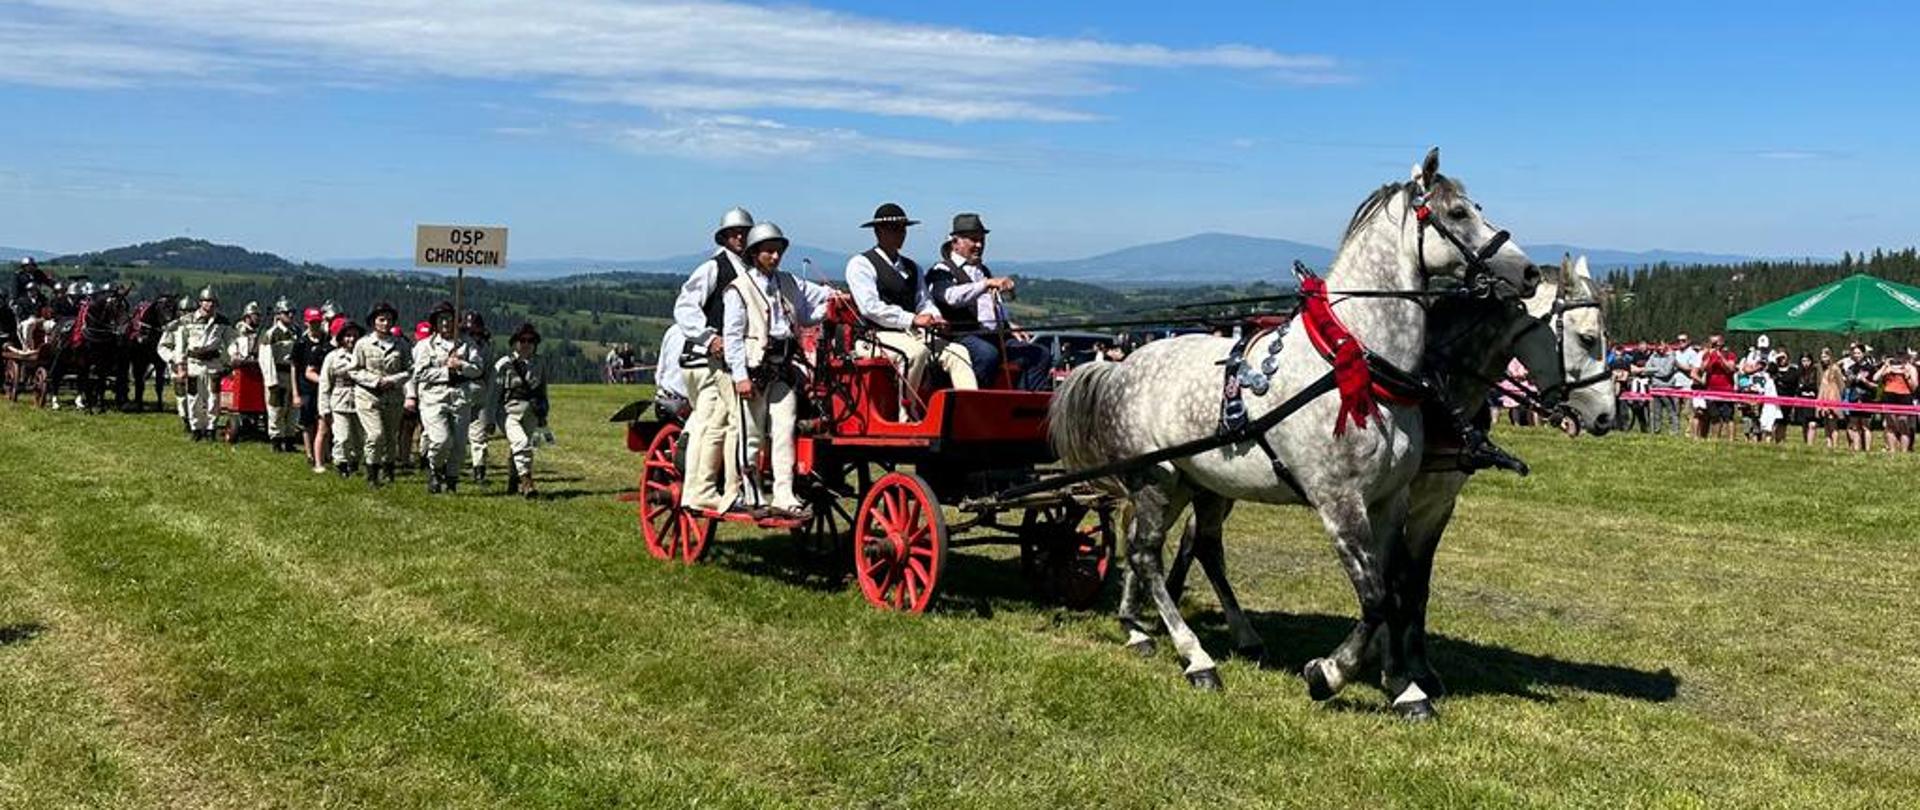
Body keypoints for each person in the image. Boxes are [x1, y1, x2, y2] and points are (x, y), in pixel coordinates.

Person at [725, 222, 837, 519]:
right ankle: (752, 493)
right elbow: (733, 336)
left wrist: (833, 304)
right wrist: (740, 377)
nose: (775, 257)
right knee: (751, 434)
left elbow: (806, 313)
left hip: (784, 366)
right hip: (754, 368)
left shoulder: (788, 283)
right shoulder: (739, 289)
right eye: (768, 252)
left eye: (778, 251)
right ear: (754, 253)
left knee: (784, 430)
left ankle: (784, 494)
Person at [844, 202, 977, 403]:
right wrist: (913, 319)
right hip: (875, 335)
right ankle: (907, 412)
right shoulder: (860, 264)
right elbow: (870, 308)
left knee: (958, 352)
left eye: (903, 228)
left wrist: (935, 317)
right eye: (895, 229)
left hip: (912, 333)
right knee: (915, 353)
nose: (901, 233)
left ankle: (969, 406)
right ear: (879, 232)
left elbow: (924, 301)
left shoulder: (913, 267)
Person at [672, 206, 754, 512]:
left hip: (726, 362)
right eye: (734, 233)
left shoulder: (746, 269)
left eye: (745, 233)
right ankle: (700, 491)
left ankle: (705, 489)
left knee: (718, 423)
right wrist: (709, 338)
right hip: (704, 362)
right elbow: (684, 306)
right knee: (712, 424)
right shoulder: (714, 268)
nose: (740, 237)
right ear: (724, 236)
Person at [927, 213, 1052, 390]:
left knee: (1039, 354)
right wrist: (986, 284)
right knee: (987, 354)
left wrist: (1008, 324)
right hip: (960, 336)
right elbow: (949, 297)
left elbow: (992, 304)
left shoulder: (982, 270)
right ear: (956, 243)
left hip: (994, 335)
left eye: (982, 240)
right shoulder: (941, 270)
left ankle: (1023, 405)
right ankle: (977, 404)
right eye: (973, 240)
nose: (979, 245)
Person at [412, 302, 485, 494]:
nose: (445, 323)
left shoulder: (467, 343)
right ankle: (435, 470)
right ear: (435, 322)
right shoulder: (425, 346)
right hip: (434, 397)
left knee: (459, 444)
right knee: (441, 440)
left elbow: (478, 369)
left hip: (460, 397)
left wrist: (461, 365)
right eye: (441, 319)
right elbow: (419, 374)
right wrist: (446, 371)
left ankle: (452, 480)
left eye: (449, 319)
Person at [349, 302, 412, 488]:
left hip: (393, 397)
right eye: (381, 319)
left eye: (389, 320)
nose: (385, 323)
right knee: (375, 435)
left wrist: (394, 380)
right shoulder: (363, 344)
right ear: (373, 321)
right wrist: (374, 381)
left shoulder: (401, 344)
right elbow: (354, 370)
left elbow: (410, 369)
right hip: (368, 396)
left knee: (391, 436)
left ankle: (389, 469)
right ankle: (372, 473)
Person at [170, 287, 233, 441]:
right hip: (193, 364)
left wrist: (234, 356)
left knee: (214, 398)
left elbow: (231, 341)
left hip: (213, 364)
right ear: (200, 302)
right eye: (206, 301)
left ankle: (211, 429)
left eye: (212, 301)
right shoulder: (187, 321)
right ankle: (196, 429)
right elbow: (180, 346)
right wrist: (180, 367)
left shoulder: (222, 322)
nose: (209, 304)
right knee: (193, 398)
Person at [495, 322, 549, 498]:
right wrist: (487, 419)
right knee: (521, 444)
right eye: (522, 340)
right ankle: (527, 482)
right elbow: (493, 393)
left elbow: (542, 389)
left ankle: (513, 481)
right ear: (515, 342)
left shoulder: (539, 362)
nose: (526, 344)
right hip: (508, 411)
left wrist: (543, 413)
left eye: (530, 340)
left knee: (520, 447)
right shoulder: (504, 364)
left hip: (531, 411)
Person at [319, 320, 366, 477]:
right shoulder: (333, 357)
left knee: (359, 438)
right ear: (341, 338)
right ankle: (341, 464)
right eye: (347, 336)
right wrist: (324, 408)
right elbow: (325, 383)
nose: (351, 339)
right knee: (342, 436)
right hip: (340, 400)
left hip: (361, 399)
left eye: (354, 336)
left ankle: (354, 462)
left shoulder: (364, 355)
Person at [258, 298, 300, 452]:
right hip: (278, 376)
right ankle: (276, 440)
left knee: (293, 411)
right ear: (278, 314)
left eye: (292, 312)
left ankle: (289, 440)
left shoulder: (297, 332)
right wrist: (271, 382)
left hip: (293, 377)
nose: (290, 315)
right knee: (276, 410)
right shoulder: (271, 334)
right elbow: (265, 359)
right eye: (286, 312)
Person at [293, 308, 330, 471]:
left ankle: (324, 452)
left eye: (318, 322)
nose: (316, 325)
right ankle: (309, 453)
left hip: (324, 386)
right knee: (307, 422)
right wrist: (295, 393)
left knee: (324, 419)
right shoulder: (301, 343)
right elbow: (295, 367)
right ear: (306, 322)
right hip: (306, 386)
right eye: (312, 322)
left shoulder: (326, 340)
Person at [462, 312, 497, 485]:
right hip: (460, 391)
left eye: (475, 330)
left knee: (479, 436)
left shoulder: (487, 348)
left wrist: (490, 398)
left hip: (480, 392)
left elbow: (490, 373)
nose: (473, 334)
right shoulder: (458, 344)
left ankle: (479, 471)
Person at [156, 295, 193, 433]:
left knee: (197, 396)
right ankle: (185, 419)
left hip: (196, 365)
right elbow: (162, 347)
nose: (187, 314)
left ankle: (198, 421)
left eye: (190, 311)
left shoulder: (200, 326)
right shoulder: (174, 327)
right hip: (177, 367)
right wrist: (173, 358)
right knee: (182, 396)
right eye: (185, 311)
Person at [1696, 334, 1738, 440]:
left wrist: (1720, 356)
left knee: (1728, 417)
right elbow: (1702, 368)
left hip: (1727, 389)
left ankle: (1731, 440)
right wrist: (1710, 355)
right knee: (1715, 417)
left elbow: (1730, 368)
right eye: (1712, 343)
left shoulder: (1730, 354)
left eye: (1716, 343)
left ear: (1722, 342)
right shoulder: (1708, 354)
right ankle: (1715, 439)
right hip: (1711, 389)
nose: (1714, 345)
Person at [1873, 350, 1916, 452]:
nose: (1899, 359)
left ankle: (1904, 451)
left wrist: (1907, 375)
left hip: (1904, 396)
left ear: (1906, 357)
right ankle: (1892, 450)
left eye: (1902, 356)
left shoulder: (1910, 368)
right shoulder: (1888, 367)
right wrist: (1884, 367)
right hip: (1889, 395)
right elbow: (1875, 378)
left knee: (1903, 424)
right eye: (1898, 356)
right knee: (1890, 424)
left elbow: (1914, 387)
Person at [1843, 343, 1877, 451]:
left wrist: (1865, 381)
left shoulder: (1870, 368)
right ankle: (1856, 449)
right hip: (1853, 398)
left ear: (1863, 354)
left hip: (1866, 398)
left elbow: (1875, 385)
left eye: (1859, 353)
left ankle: (1867, 449)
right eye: (1854, 353)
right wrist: (1848, 380)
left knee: (1865, 425)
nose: (1856, 355)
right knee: (1855, 425)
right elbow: (1848, 384)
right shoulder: (1851, 368)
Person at [654, 324, 691, 420]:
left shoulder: (672, 330)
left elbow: (659, 373)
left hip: (663, 398)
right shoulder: (706, 334)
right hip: (684, 404)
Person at [1815, 348, 1845, 449]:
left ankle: (1835, 444)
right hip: (1823, 394)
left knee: (1832, 420)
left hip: (1832, 395)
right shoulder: (1821, 369)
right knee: (1825, 421)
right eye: (1822, 357)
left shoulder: (1835, 368)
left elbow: (1841, 383)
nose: (1823, 359)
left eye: (1825, 356)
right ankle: (1828, 443)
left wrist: (1837, 396)